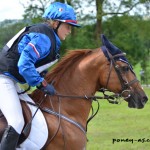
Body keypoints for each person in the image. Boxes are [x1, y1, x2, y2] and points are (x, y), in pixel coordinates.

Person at [0, 2, 81, 150]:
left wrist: (44, 76)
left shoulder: (48, 36)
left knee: (32, 114)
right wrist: (40, 83)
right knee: (17, 122)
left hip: (9, 79)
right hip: (3, 78)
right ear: (56, 23)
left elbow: (34, 64)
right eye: (68, 26)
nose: (69, 31)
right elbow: (24, 65)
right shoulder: (44, 37)